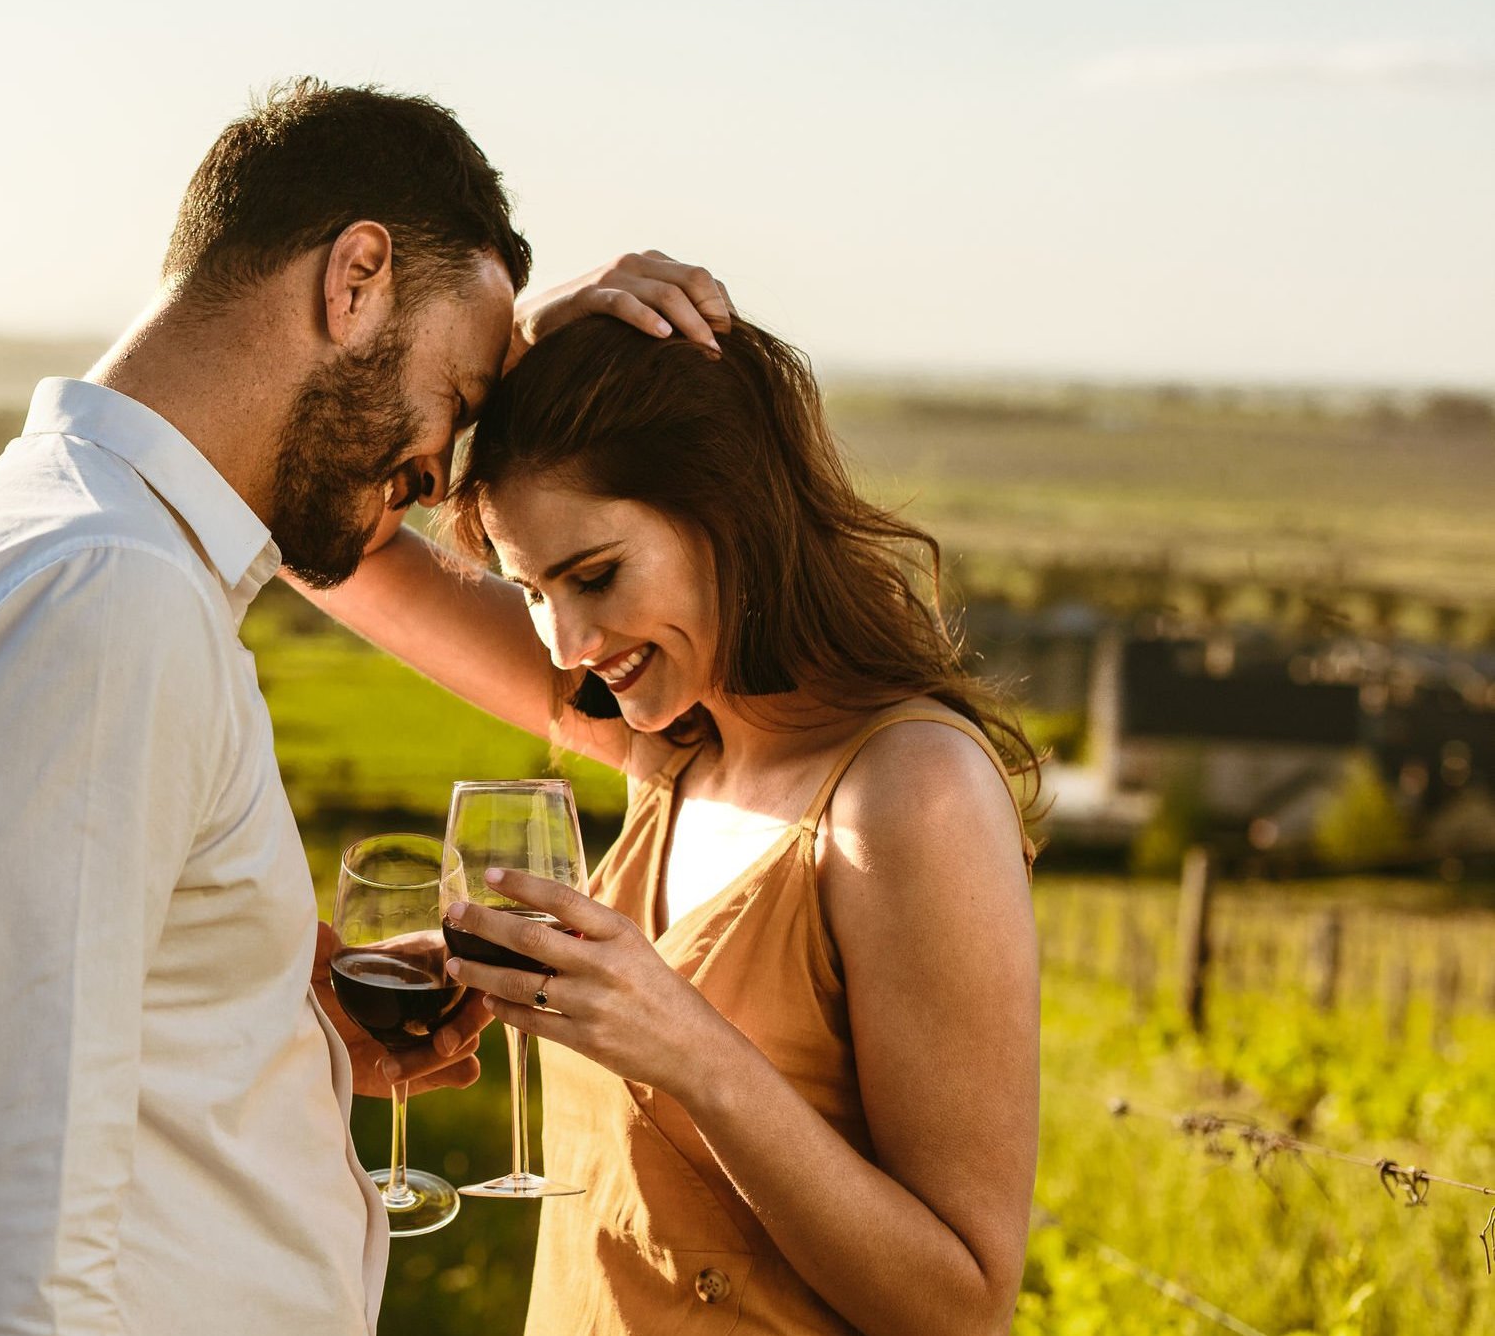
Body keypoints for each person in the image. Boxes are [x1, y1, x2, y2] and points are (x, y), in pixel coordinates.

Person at [0, 78, 735, 1335]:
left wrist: (256, 1006)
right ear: (357, 280)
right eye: (458, 395)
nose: (443, 467)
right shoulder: (101, 596)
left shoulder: (70, 541)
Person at [299, 315, 1042, 1335]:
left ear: (730, 509)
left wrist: (689, 1048)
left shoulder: (910, 794)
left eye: (596, 575)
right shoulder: (678, 746)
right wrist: (534, 332)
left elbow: (962, 1306)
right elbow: (326, 539)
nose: (567, 644)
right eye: (531, 592)